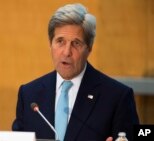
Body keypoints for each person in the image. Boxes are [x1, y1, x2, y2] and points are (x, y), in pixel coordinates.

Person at [11, 3, 139, 141]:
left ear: (89, 48)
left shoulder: (117, 97)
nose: (66, 52)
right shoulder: (29, 94)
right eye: (60, 41)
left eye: (76, 43)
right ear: (50, 44)